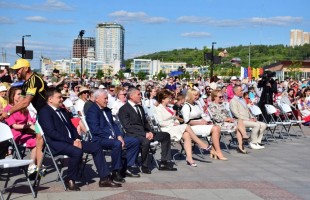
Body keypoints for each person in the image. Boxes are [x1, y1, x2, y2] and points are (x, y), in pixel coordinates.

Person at [39, 88, 121, 190]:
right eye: (59, 97)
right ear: (50, 99)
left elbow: (72, 128)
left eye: (62, 97)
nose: (62, 99)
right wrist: (72, 141)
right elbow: (51, 133)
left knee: (96, 147)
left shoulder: (63, 111)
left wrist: (77, 138)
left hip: (71, 141)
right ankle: (70, 179)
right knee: (76, 151)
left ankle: (104, 178)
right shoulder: (45, 112)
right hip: (56, 143)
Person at [0, 58, 45, 175]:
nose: (16, 72)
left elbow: (25, 102)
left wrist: (8, 113)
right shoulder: (26, 84)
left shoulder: (34, 80)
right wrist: (7, 112)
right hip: (35, 121)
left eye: (18, 69)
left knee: (41, 139)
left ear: (26, 68)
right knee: (39, 139)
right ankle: (35, 167)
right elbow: (23, 101)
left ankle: (36, 167)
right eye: (15, 70)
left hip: (46, 115)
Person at [118, 87, 177, 174]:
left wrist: (150, 132)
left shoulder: (139, 107)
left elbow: (145, 123)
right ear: (131, 96)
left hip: (145, 132)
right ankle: (144, 165)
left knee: (165, 135)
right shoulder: (124, 109)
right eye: (138, 94)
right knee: (145, 141)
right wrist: (144, 134)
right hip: (133, 134)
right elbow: (128, 127)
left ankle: (164, 162)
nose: (141, 96)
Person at [86, 89, 140, 183]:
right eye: (105, 98)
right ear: (97, 99)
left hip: (114, 138)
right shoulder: (92, 111)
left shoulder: (107, 110)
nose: (107, 100)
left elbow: (114, 124)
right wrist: (112, 137)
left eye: (107, 98)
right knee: (117, 144)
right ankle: (116, 171)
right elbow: (95, 130)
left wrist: (119, 135)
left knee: (135, 141)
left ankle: (125, 167)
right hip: (100, 139)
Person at [154, 90, 211, 167]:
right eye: (168, 98)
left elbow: (173, 118)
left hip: (173, 127)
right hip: (166, 129)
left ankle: (189, 158)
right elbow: (160, 123)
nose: (170, 100)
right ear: (163, 99)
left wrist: (176, 121)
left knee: (187, 135)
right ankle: (201, 144)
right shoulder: (158, 109)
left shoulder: (169, 107)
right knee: (186, 126)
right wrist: (172, 123)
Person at [181, 88, 226, 160]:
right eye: (195, 95)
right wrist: (200, 122)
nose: (196, 97)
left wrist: (207, 121)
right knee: (215, 128)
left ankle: (215, 150)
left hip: (200, 124)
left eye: (197, 95)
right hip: (192, 127)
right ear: (190, 95)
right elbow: (187, 121)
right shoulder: (186, 106)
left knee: (217, 127)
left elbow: (202, 115)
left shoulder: (196, 104)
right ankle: (218, 151)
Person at [4, 87, 39, 174]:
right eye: (18, 94)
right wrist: (28, 126)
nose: (21, 96)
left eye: (22, 94)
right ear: (13, 96)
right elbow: (14, 126)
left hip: (27, 130)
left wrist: (37, 129)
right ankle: (32, 166)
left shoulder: (23, 107)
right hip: (16, 133)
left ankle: (37, 165)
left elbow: (30, 120)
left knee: (42, 137)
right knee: (36, 142)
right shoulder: (8, 109)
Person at [209, 89, 249, 154]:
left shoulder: (222, 104)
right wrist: (226, 119)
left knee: (240, 121)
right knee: (239, 127)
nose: (222, 98)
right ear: (214, 97)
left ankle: (243, 140)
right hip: (220, 124)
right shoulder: (212, 106)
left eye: (222, 96)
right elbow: (216, 118)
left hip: (227, 122)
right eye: (220, 97)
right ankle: (241, 145)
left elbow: (227, 114)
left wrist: (230, 119)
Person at [229, 85, 267, 150]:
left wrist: (252, 117)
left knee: (264, 125)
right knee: (256, 125)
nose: (242, 92)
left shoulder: (243, 99)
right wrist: (248, 119)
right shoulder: (233, 101)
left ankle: (257, 141)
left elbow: (248, 111)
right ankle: (253, 142)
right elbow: (236, 114)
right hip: (240, 121)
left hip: (248, 119)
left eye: (242, 90)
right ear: (235, 92)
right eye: (241, 90)